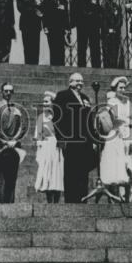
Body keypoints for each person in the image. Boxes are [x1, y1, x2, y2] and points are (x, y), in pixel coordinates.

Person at [52, 72, 95, 203]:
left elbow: (89, 121)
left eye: (81, 81)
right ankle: (71, 200)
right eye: (77, 81)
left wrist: (92, 139)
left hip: (85, 141)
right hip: (70, 140)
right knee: (71, 171)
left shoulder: (85, 98)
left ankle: (82, 198)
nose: (80, 83)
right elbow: (57, 119)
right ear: (70, 82)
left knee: (83, 171)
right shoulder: (62, 96)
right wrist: (61, 138)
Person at [97, 77, 132, 203]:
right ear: (115, 89)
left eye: (124, 88)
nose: (123, 90)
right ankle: (114, 197)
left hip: (127, 134)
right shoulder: (112, 101)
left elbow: (130, 119)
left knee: (128, 164)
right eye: (120, 88)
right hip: (116, 135)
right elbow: (116, 119)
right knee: (115, 164)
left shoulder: (128, 102)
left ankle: (127, 197)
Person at [0, 83, 25, 203]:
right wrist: (5, 141)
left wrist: (15, 140)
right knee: (2, 177)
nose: (8, 93)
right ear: (1, 92)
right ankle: (2, 203)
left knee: (12, 176)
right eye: (6, 91)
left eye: (10, 91)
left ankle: (11, 202)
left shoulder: (16, 108)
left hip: (14, 147)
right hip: (2, 147)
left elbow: (20, 126)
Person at [34, 91, 63, 204]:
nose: (45, 104)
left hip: (56, 146)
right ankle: (49, 200)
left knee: (56, 171)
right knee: (46, 171)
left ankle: (56, 200)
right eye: (44, 101)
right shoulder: (41, 117)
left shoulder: (57, 116)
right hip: (46, 146)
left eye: (47, 101)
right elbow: (38, 135)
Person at [71, 0, 101, 68]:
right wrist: (73, 24)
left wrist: (98, 22)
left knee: (95, 46)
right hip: (82, 25)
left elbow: (98, 9)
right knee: (81, 47)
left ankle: (96, 66)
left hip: (93, 25)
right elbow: (73, 11)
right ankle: (82, 67)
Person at [40, 0, 70, 66]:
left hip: (61, 29)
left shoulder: (64, 1)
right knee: (53, 49)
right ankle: (54, 68)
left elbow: (66, 16)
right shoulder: (46, 1)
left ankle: (61, 68)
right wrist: (45, 27)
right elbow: (43, 15)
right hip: (51, 29)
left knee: (61, 50)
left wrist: (67, 29)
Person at [16, 0, 43, 65]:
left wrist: (37, 9)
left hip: (36, 25)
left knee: (36, 46)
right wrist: (35, 9)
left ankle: (36, 64)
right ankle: (27, 65)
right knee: (27, 46)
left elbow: (41, 10)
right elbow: (21, 9)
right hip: (26, 25)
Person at [101, 0, 124, 68]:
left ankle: (114, 67)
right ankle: (107, 67)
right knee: (106, 52)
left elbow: (120, 19)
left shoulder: (116, 6)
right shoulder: (103, 7)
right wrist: (107, 29)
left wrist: (115, 28)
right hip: (106, 34)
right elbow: (102, 20)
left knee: (115, 51)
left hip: (115, 33)